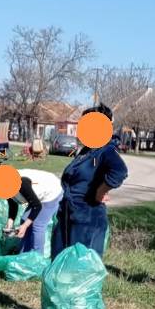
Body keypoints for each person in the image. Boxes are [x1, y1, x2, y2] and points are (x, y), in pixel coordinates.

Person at [51, 103, 128, 259]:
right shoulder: (87, 150)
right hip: (69, 215)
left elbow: (119, 171)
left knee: (79, 268)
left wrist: (101, 191)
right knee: (61, 264)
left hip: (87, 220)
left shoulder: (106, 150)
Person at [5, 168, 64, 255]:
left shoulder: (22, 183)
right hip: (38, 195)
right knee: (25, 219)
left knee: (38, 224)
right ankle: (24, 253)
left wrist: (25, 226)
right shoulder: (4, 186)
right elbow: (13, 205)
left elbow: (37, 207)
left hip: (52, 192)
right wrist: (10, 223)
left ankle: (37, 257)